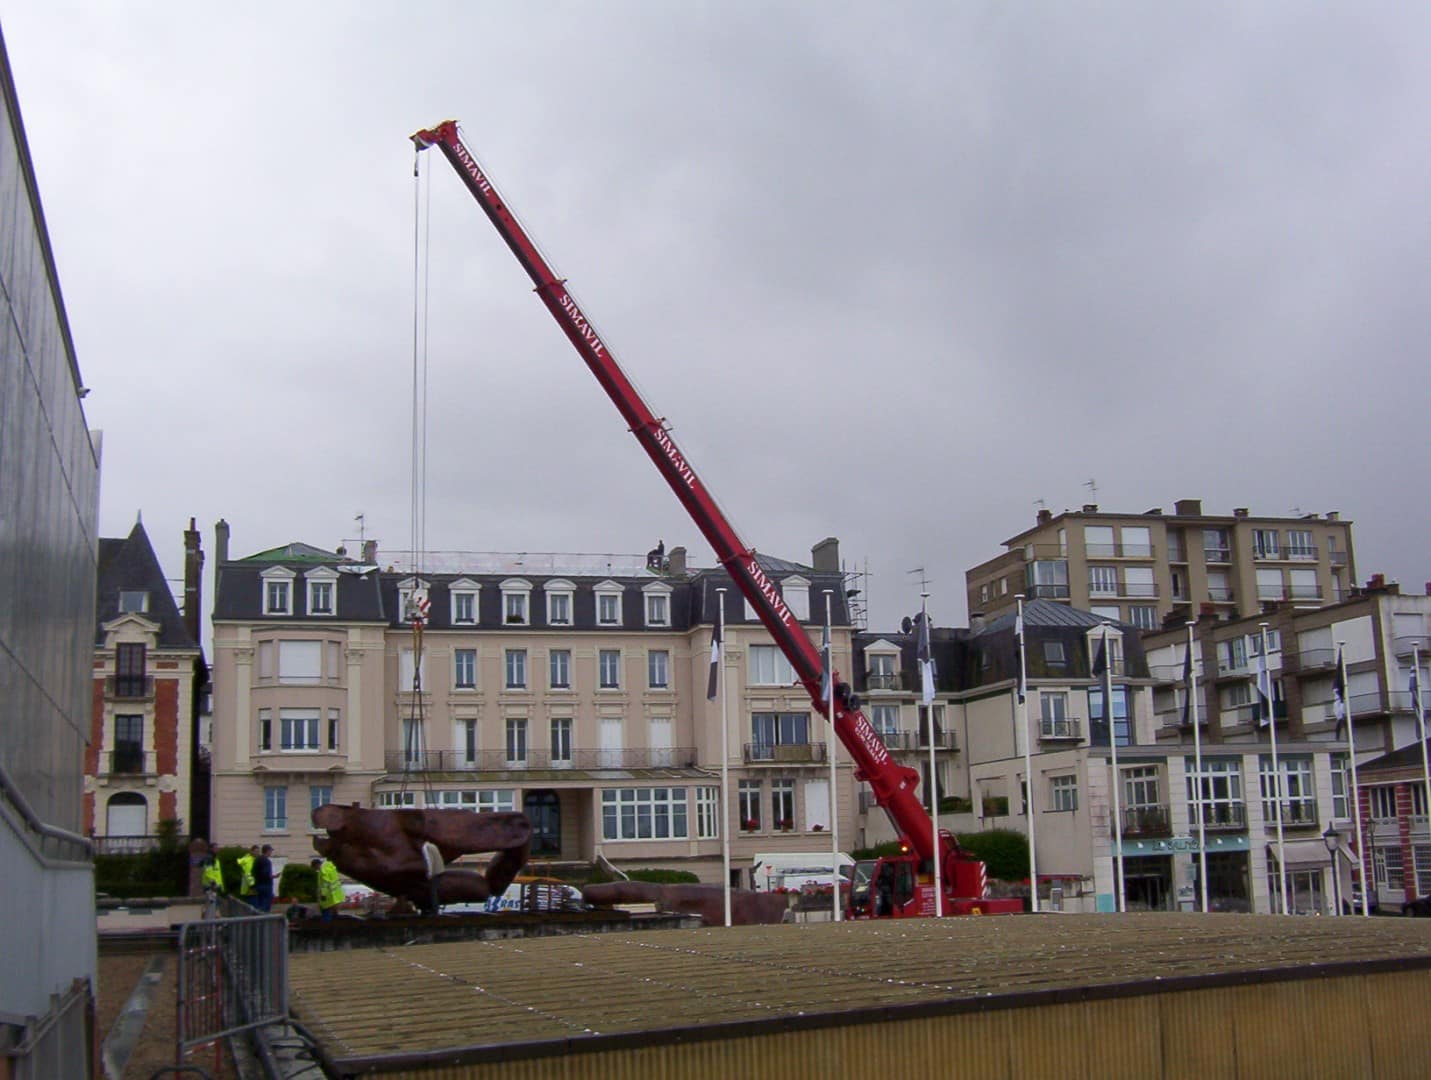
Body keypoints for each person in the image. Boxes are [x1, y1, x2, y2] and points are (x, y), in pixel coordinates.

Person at [312, 857, 344, 921]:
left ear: (317, 865)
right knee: (334, 914)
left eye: (315, 868)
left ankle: (327, 926)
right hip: (337, 894)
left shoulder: (323, 870)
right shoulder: (330, 866)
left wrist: (323, 894)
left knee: (326, 911)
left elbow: (325, 883)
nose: (316, 870)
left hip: (329, 896)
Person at [252, 844, 275, 912]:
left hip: (258, 885)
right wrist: (272, 876)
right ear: (267, 851)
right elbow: (266, 874)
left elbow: (252, 872)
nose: (271, 852)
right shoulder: (267, 861)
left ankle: (259, 919)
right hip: (266, 885)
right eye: (270, 851)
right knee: (266, 906)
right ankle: (265, 919)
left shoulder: (257, 860)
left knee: (260, 904)